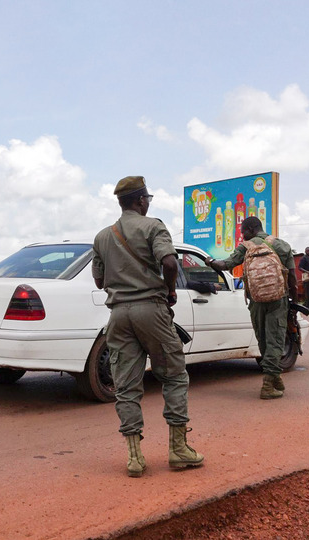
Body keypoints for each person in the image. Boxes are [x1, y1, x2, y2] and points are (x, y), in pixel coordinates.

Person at [91, 176, 205, 478]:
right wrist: (169, 291)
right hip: (151, 311)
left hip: (118, 315)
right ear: (141, 200)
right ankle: (179, 449)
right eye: (147, 199)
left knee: (126, 386)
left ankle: (134, 458)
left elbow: (99, 280)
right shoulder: (153, 226)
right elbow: (170, 263)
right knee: (175, 376)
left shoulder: (102, 237)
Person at [207, 216, 297, 400]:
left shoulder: (246, 247)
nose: (242, 236)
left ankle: (271, 379)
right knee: (276, 339)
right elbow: (293, 279)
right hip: (278, 299)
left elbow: (224, 265)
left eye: (243, 232)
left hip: (256, 300)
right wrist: (293, 303)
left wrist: (209, 261)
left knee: (263, 339)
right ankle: (270, 383)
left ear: (250, 229)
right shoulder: (282, 245)